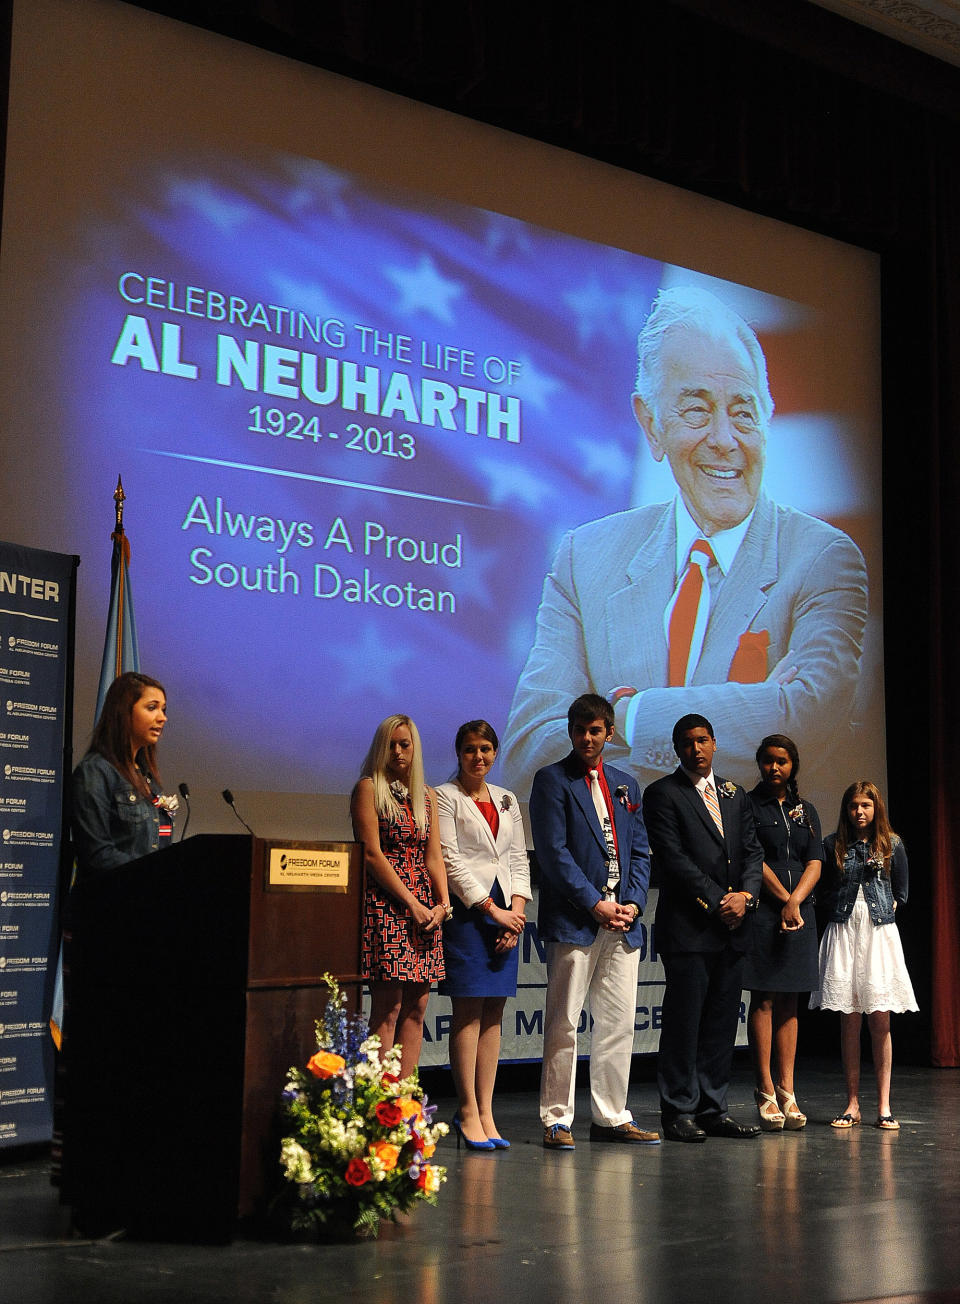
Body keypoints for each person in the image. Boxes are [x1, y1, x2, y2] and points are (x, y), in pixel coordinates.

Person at [502, 285, 869, 799]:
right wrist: (750, 709)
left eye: (743, 412)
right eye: (697, 410)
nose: (725, 438)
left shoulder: (824, 559)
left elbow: (803, 723)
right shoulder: (585, 559)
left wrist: (629, 716)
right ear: (651, 424)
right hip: (618, 873)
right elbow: (528, 750)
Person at [530, 693, 658, 1149]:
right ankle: (557, 1118)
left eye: (596, 730)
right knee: (565, 1021)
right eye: (580, 730)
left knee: (618, 1022)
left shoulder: (626, 784)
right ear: (570, 732)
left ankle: (611, 1116)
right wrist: (594, 903)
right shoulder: (552, 780)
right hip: (576, 919)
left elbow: (641, 850)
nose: (588, 738)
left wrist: (634, 904)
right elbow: (553, 854)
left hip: (622, 921)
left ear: (609, 733)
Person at [642, 713, 763, 1142]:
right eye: (687, 743)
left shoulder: (734, 794)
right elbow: (674, 860)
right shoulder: (662, 794)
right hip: (691, 929)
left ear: (714, 743)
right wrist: (718, 901)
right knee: (684, 1023)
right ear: (676, 749)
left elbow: (752, 852)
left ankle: (714, 1107)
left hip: (734, 928)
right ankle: (678, 1110)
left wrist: (746, 898)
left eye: (703, 740)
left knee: (721, 1024)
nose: (696, 749)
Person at [436, 720, 531, 1150]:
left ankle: (488, 1111)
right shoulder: (444, 797)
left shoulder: (508, 799)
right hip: (469, 913)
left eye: (487, 749)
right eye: (471, 749)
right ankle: (468, 1109)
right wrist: (491, 910)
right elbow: (449, 860)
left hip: (505, 911)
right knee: (469, 1012)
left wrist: (517, 912)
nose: (479, 756)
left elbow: (517, 859)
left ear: (496, 753)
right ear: (459, 753)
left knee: (494, 1013)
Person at [810, 781, 917, 1130]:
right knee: (849, 1019)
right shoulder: (832, 845)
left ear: (876, 809)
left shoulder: (892, 844)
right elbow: (824, 890)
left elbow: (901, 891)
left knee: (881, 1018)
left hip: (878, 932)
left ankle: (884, 1104)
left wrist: (882, 912)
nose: (859, 811)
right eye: (854, 805)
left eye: (866, 805)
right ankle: (852, 1102)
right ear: (846, 809)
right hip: (844, 930)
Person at [351, 714, 451, 1079]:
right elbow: (372, 854)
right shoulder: (368, 788)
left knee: (417, 1007)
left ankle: (405, 1101)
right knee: (389, 1008)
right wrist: (412, 903)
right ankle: (379, 1101)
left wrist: (443, 904)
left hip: (427, 910)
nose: (397, 751)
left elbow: (434, 855)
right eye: (390, 744)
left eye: (404, 744)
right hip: (388, 906)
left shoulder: (426, 795)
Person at [742, 734, 822, 1131]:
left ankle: (788, 1090)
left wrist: (797, 901)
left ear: (793, 766)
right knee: (766, 1001)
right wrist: (784, 900)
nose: (775, 768)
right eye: (768, 761)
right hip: (765, 914)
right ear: (759, 764)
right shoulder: (748, 805)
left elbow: (815, 860)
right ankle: (765, 1090)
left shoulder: (805, 810)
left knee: (791, 1002)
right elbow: (754, 859)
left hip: (801, 913)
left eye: (782, 762)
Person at [71, 672, 177, 877]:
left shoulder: (146, 776)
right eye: (152, 707)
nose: (162, 717)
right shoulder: (95, 771)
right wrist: (156, 874)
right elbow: (96, 855)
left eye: (163, 709)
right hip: (109, 903)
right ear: (124, 712)